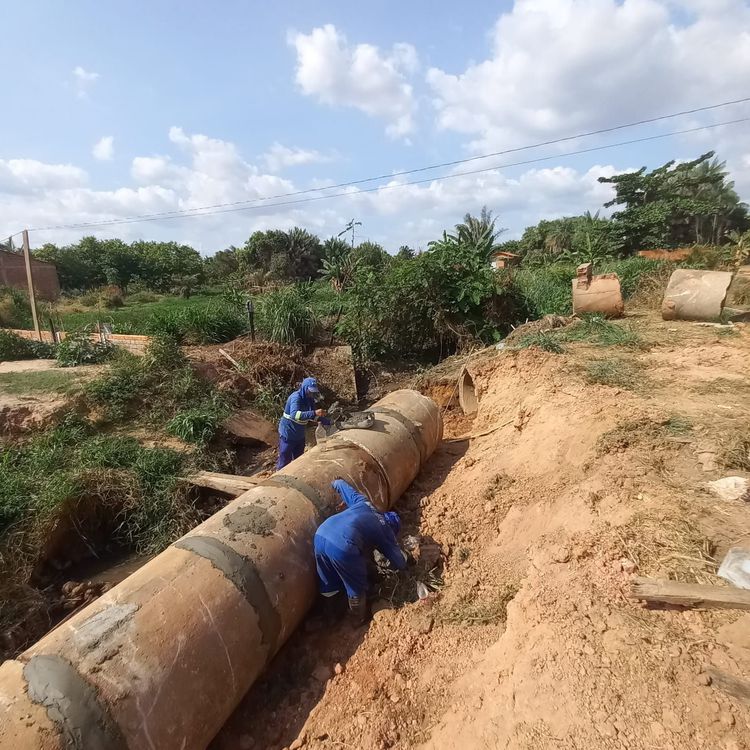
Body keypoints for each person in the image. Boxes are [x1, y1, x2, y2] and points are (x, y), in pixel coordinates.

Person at [314, 479, 409, 625]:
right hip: (342, 545)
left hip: (321, 534)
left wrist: (337, 482)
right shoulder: (385, 530)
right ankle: (358, 619)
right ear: (392, 528)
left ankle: (330, 616)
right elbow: (397, 558)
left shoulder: (365, 504)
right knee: (356, 585)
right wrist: (406, 569)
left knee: (328, 579)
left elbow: (346, 489)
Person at [277, 377, 329, 470]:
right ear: (304, 388)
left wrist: (327, 421)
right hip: (288, 434)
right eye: (309, 391)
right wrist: (314, 412)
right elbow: (295, 415)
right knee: (285, 461)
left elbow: (312, 415)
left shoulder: (310, 399)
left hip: (299, 435)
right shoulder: (296, 397)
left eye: (313, 391)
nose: (311, 393)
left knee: (299, 461)